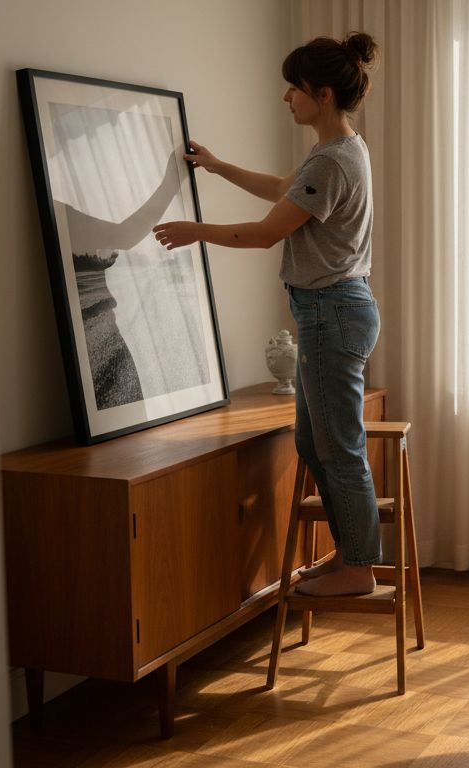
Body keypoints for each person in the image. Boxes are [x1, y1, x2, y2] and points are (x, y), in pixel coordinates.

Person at [153, 32, 381, 597]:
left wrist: (194, 232)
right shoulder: (337, 152)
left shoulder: (333, 160)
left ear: (321, 94)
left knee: (337, 447)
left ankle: (358, 567)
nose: (286, 97)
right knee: (313, 442)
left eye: (294, 88)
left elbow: (265, 234)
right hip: (327, 312)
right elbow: (282, 190)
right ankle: (349, 555)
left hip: (332, 313)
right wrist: (216, 166)